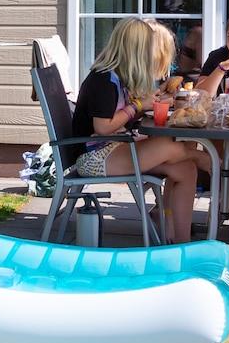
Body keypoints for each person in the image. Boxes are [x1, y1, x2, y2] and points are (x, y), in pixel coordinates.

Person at [67, 18, 205, 244]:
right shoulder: (104, 79)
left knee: (186, 169)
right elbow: (103, 127)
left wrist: (150, 101)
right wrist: (138, 106)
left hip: (113, 148)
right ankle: (203, 158)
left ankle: (181, 241)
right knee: (169, 146)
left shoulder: (117, 76)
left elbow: (123, 114)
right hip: (93, 157)